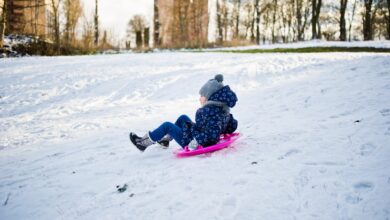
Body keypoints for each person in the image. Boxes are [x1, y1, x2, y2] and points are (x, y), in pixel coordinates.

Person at [129, 74, 238, 152]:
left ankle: (143, 143)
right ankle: (165, 140)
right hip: (198, 135)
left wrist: (196, 141)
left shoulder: (209, 111)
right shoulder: (223, 110)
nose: (200, 99)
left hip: (193, 142)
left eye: (202, 96)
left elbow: (212, 132)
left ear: (209, 97)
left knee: (167, 126)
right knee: (183, 117)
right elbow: (231, 125)